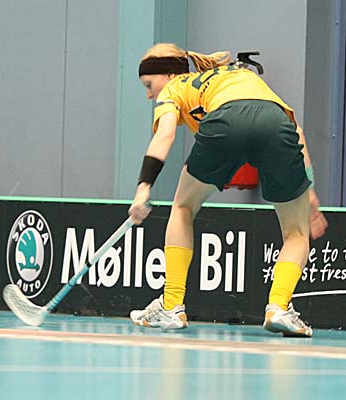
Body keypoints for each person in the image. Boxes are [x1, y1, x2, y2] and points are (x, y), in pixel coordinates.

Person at [128, 43, 328, 337]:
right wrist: (308, 191)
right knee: (297, 233)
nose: (149, 94)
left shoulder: (174, 88)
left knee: (183, 207)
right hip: (276, 125)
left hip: (225, 122)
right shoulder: (237, 76)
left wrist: (144, 187)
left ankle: (171, 306)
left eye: (149, 85)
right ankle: (278, 307)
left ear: (169, 75)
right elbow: (296, 131)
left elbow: (165, 134)